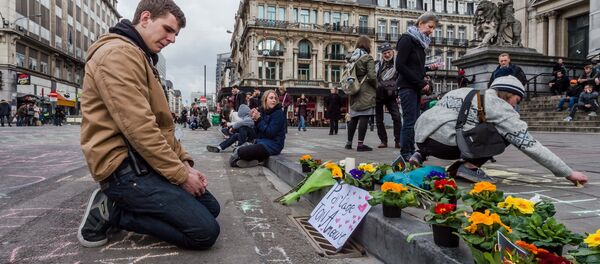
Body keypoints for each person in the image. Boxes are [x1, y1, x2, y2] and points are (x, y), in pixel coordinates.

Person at [78, 0, 219, 249]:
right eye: (167, 29)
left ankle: (132, 205)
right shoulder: (117, 54)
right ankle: (113, 211)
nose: (172, 39)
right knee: (205, 232)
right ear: (145, 19)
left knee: (210, 207)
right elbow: (140, 129)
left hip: (143, 162)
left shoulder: (141, 56)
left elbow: (162, 126)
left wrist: (184, 163)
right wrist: (181, 176)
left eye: (175, 34)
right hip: (123, 170)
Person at [410, 76, 588, 186]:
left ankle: (418, 156)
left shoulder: (464, 91)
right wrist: (568, 173)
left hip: (421, 137)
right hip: (444, 145)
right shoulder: (499, 107)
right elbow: (530, 144)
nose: (515, 105)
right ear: (508, 94)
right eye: (516, 100)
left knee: (459, 122)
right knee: (508, 133)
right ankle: (470, 167)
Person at [395, 12, 440, 160]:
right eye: (430, 27)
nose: (431, 31)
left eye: (433, 28)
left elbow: (414, 67)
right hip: (407, 87)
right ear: (421, 23)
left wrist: (428, 68)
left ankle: (410, 149)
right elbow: (400, 66)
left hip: (414, 87)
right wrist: (421, 83)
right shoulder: (407, 39)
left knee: (414, 121)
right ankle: (405, 153)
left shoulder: (420, 43)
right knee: (409, 121)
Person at [230, 90, 285, 168]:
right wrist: (254, 119)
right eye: (271, 98)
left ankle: (249, 160)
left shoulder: (278, 113)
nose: (274, 100)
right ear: (265, 100)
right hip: (262, 142)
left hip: (273, 145)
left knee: (240, 151)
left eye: (275, 98)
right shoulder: (264, 112)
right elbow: (257, 133)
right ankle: (253, 161)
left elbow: (271, 132)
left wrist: (259, 119)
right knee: (237, 149)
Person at [344, 35, 377, 151]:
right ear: (367, 45)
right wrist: (376, 87)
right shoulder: (368, 58)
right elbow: (372, 76)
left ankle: (348, 143)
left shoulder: (352, 58)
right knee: (364, 116)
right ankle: (360, 144)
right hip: (366, 90)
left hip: (354, 89)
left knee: (353, 117)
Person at [375, 43, 402, 149]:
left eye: (388, 52)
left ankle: (398, 140)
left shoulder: (398, 64)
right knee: (379, 119)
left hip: (391, 95)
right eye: (384, 53)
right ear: (382, 54)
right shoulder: (378, 64)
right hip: (378, 94)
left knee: (397, 117)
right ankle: (383, 141)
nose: (386, 55)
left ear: (392, 52)